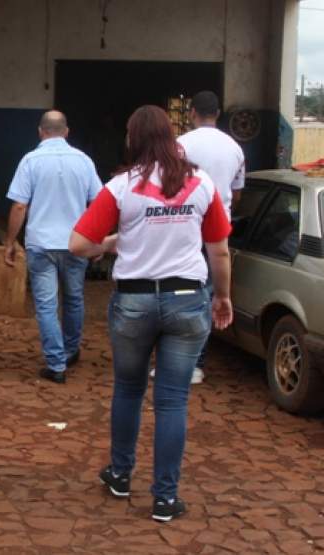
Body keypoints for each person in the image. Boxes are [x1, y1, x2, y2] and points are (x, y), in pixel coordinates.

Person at [69, 105, 233, 522]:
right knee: (173, 401)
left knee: (128, 390)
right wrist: (223, 297)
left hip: (134, 302)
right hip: (187, 300)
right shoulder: (201, 184)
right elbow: (219, 249)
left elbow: (77, 245)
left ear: (133, 139)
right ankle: (165, 497)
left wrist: (109, 243)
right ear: (171, 136)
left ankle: (120, 476)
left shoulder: (121, 187)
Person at [4, 110, 103, 384]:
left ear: (40, 132)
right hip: (76, 243)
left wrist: (10, 242)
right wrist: (97, 240)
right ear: (67, 131)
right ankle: (71, 350)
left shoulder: (30, 161)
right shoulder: (84, 161)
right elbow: (98, 203)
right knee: (74, 299)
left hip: (41, 244)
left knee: (46, 305)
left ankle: (56, 363)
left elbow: (20, 205)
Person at [175, 90, 245, 384]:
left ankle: (179, 361)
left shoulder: (180, 145)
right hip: (219, 229)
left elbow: (169, 186)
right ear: (218, 114)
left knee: (178, 291)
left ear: (191, 113)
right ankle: (196, 364)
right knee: (204, 295)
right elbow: (238, 194)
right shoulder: (235, 148)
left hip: (185, 226)